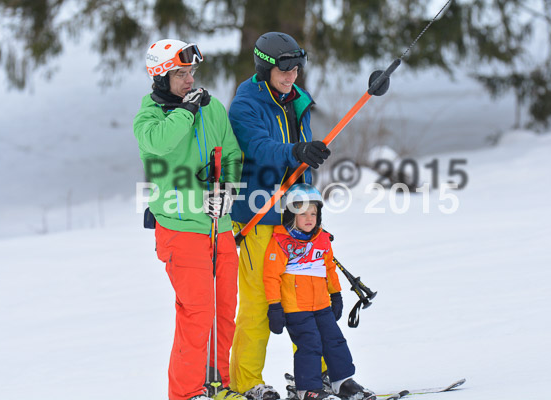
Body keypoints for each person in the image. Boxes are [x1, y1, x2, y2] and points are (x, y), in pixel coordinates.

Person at [133, 38, 245, 400]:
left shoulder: (211, 109)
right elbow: (160, 144)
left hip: (220, 228)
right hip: (181, 231)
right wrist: (186, 111)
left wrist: (227, 187)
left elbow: (231, 152)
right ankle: (187, 393)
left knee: (225, 313)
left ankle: (219, 385)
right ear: (161, 76)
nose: (189, 80)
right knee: (198, 314)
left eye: (191, 72)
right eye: (180, 73)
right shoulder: (149, 116)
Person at [228, 32, 332, 400]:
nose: (291, 75)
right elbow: (258, 147)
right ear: (265, 66)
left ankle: (310, 377)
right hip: (258, 215)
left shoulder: (297, 101)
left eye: (296, 68)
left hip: (294, 214)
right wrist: (296, 150)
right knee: (258, 303)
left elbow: (294, 155)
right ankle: (245, 382)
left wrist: (306, 161)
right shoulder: (245, 104)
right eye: (284, 68)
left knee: (305, 298)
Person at [263, 184, 375, 400]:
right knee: (310, 344)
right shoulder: (281, 242)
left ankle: (342, 381)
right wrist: (274, 306)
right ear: (290, 215)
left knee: (335, 340)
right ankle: (309, 388)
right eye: (302, 213)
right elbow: (271, 276)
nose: (309, 218)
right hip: (296, 308)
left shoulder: (321, 240)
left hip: (322, 305)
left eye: (313, 213)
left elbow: (329, 269)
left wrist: (336, 295)